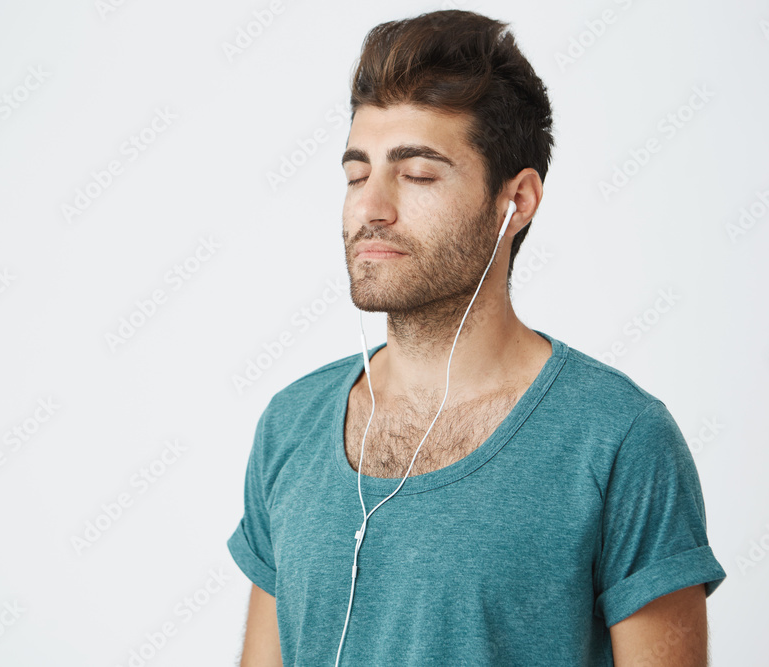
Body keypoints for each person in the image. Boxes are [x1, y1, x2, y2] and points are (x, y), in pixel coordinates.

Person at [227, 9, 726, 666]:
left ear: (515, 202)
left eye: (419, 174)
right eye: (356, 174)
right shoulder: (289, 425)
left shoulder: (620, 439)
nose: (371, 207)